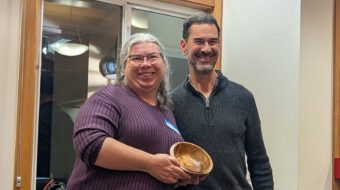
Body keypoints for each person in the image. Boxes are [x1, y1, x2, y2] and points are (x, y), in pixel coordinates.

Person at [67, 33, 195, 190]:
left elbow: (161, 169)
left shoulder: (166, 112)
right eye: (136, 58)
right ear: (124, 66)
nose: (145, 64)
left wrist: (179, 175)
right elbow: (90, 143)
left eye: (152, 57)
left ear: (164, 63)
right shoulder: (109, 97)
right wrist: (149, 164)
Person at [171, 13, 274, 190]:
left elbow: (259, 162)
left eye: (213, 41)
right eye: (199, 41)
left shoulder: (243, 97)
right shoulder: (172, 103)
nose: (206, 49)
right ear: (184, 46)